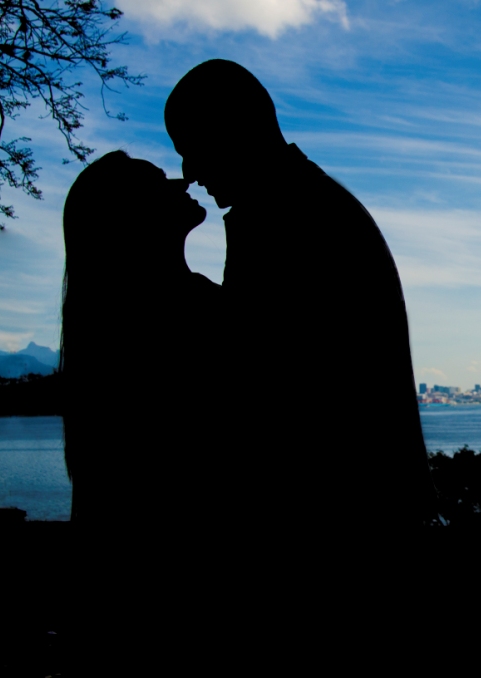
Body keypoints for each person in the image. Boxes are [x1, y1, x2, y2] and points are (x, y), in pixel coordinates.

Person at [164, 60, 436, 537]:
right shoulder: (300, 204)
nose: (188, 171)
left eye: (191, 146)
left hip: (335, 516)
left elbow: (259, 385)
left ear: (232, 128)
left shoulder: (285, 218)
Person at [60, 150, 222, 673]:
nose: (183, 180)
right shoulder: (191, 317)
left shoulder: (107, 334)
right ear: (129, 220)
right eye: (159, 182)